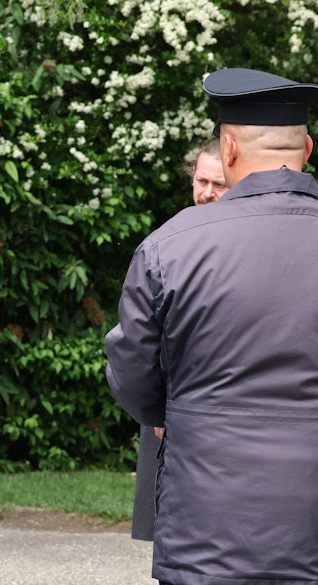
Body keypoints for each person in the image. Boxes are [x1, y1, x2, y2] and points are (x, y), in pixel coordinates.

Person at [105, 67, 318, 585]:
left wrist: (173, 414)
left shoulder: (171, 246)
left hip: (208, 517)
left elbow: (132, 372)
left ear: (228, 148)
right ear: (306, 148)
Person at [130, 138, 230, 543]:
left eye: (219, 184)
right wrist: (155, 408)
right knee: (173, 536)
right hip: (171, 403)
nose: (207, 193)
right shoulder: (170, 242)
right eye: (201, 181)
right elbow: (141, 338)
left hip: (226, 406)